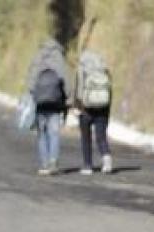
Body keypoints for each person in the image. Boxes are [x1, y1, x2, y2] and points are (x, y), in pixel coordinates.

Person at [26, 38, 68, 175]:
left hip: (40, 103)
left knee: (42, 134)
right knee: (54, 133)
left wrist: (34, 95)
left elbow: (31, 82)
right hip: (56, 103)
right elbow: (66, 80)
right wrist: (68, 99)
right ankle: (53, 162)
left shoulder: (37, 57)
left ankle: (44, 164)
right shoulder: (59, 58)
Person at [72, 50, 114, 175]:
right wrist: (107, 107)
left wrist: (77, 105)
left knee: (86, 137)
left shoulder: (82, 68)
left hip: (86, 108)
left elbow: (79, 89)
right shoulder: (104, 69)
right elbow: (109, 91)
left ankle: (87, 165)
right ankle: (106, 160)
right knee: (101, 136)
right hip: (103, 108)